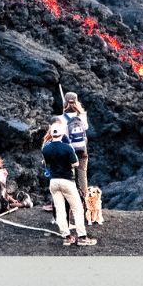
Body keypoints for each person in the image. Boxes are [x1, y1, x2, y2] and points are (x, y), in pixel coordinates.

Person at [42, 124, 95, 246]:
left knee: (60, 211)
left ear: (51, 134)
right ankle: (82, 237)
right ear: (62, 134)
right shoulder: (67, 148)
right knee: (77, 209)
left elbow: (47, 162)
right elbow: (76, 163)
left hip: (53, 182)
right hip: (67, 181)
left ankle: (67, 237)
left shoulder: (45, 148)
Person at [57, 83, 91, 212]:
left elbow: (61, 134)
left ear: (65, 103)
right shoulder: (82, 116)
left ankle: (70, 205)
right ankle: (84, 202)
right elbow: (86, 128)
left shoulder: (61, 118)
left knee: (69, 177)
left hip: (68, 152)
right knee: (82, 175)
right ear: (77, 102)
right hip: (82, 150)